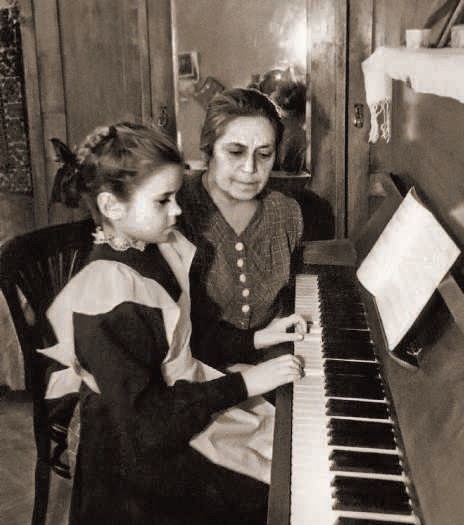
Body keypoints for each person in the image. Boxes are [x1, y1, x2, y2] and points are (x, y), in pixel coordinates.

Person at [42, 122, 305, 525]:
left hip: (176, 410)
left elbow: (185, 336)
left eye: (176, 197)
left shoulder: (157, 248)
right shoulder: (106, 296)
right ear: (112, 206)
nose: (177, 210)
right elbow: (146, 426)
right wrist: (243, 384)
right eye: (163, 200)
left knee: (289, 449)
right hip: (136, 459)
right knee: (280, 493)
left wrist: (254, 339)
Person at [178, 88, 306, 370]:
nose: (250, 168)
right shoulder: (173, 210)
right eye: (235, 152)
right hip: (193, 370)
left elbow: (292, 303)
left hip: (270, 362)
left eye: (264, 154)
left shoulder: (286, 214)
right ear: (208, 149)